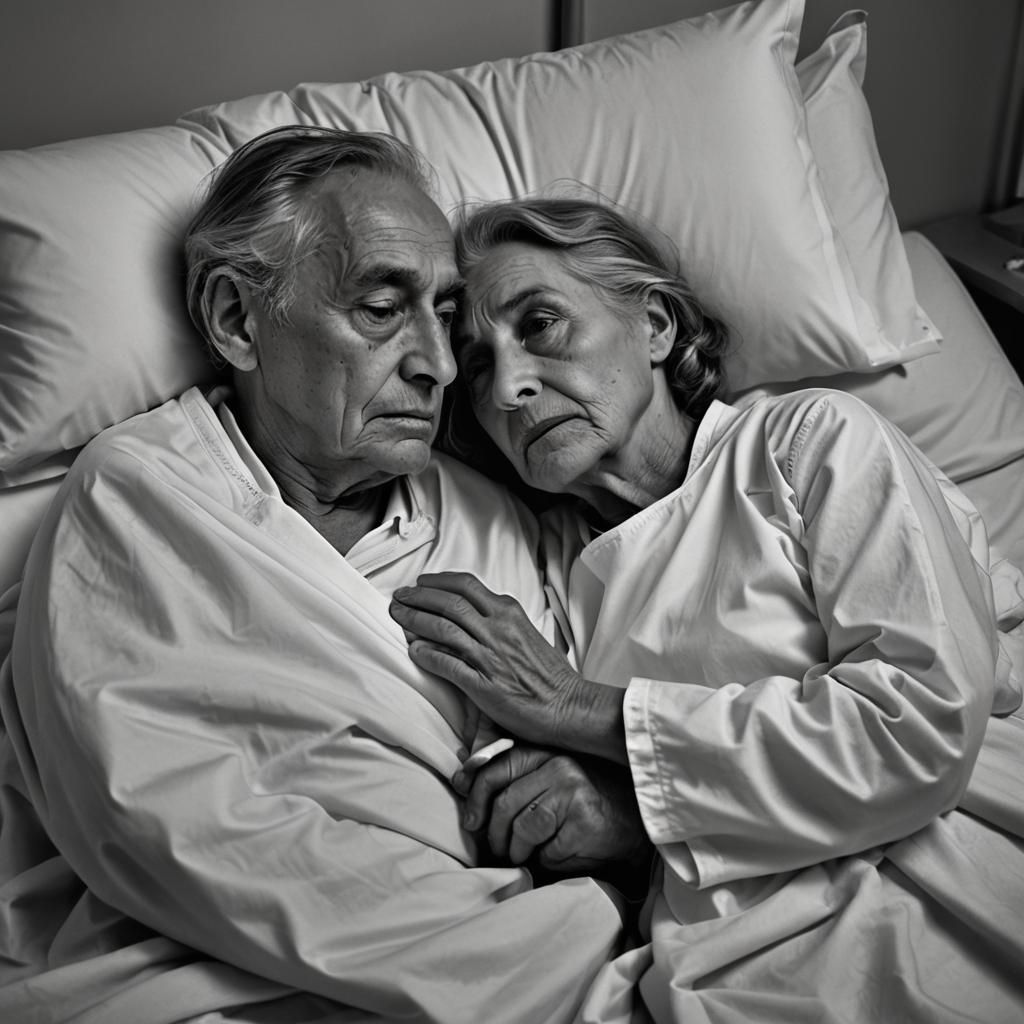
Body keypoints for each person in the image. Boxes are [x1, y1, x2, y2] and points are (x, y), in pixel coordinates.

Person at [0, 131, 629, 1024]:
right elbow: (155, 822)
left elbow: (556, 780)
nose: (441, 364)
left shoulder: (492, 515)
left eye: (444, 313)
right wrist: (541, 947)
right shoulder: (141, 495)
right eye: (381, 308)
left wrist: (600, 819)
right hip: (230, 975)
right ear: (236, 320)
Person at [389, 196, 1024, 1023]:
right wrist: (628, 822)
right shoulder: (540, 569)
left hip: (948, 898)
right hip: (728, 973)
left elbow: (915, 722)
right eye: (476, 366)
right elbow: (552, 808)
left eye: (540, 324)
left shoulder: (807, 444)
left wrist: (581, 710)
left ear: (654, 326)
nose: (508, 386)